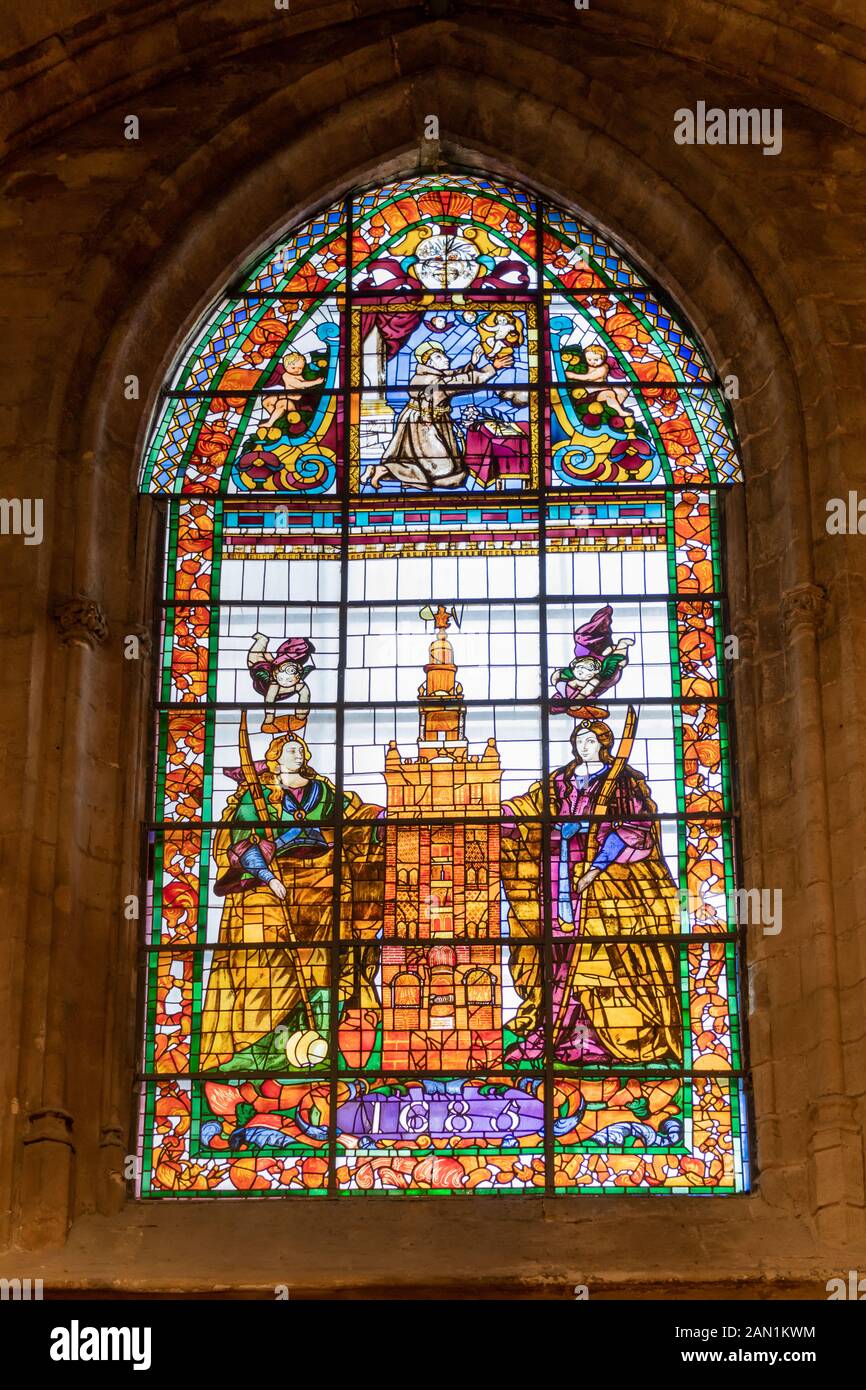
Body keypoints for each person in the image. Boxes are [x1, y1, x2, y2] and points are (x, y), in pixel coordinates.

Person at [501, 718, 683, 1065]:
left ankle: (604, 1036)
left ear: (603, 742)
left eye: (589, 739)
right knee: (561, 955)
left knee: (602, 957)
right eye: (578, 738)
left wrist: (597, 862)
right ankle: (562, 1032)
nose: (582, 745)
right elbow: (529, 807)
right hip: (561, 878)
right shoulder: (560, 781)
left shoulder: (623, 781)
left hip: (611, 885)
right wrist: (497, 813)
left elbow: (637, 828)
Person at [200, 733, 383, 1072]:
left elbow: (359, 818)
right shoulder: (257, 799)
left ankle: (318, 1038)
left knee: (321, 963)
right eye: (290, 750)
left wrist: (377, 824)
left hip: (321, 890)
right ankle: (261, 1045)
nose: (298, 754)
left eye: (301, 749)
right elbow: (240, 844)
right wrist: (268, 876)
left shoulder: (324, 793)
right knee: (265, 962)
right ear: (276, 759)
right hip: (272, 891)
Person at [367, 340, 496, 489]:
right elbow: (460, 381)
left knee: (419, 460)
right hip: (425, 424)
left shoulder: (428, 375)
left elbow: (453, 375)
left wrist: (472, 363)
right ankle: (382, 470)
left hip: (425, 420)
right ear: (429, 363)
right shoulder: (432, 380)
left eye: (444, 355)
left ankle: (387, 473)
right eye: (438, 357)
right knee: (443, 469)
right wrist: (492, 368)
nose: (446, 359)